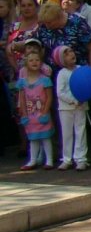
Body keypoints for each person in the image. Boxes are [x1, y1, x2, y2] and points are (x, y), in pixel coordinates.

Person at [16, 39, 54, 170]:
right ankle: (32, 160)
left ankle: (49, 160)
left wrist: (45, 112)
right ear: (26, 63)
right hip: (30, 115)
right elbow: (22, 98)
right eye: (31, 60)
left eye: (37, 60)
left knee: (45, 138)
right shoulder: (22, 82)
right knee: (33, 138)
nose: (34, 63)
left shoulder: (45, 80)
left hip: (42, 113)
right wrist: (24, 114)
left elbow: (49, 97)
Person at [53, 45, 89, 170]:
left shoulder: (80, 69)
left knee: (81, 131)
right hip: (66, 108)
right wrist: (74, 100)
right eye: (66, 54)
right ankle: (66, 158)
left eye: (71, 51)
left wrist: (83, 98)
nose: (71, 54)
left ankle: (81, 159)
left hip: (81, 107)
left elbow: (87, 85)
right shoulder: (62, 74)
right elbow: (60, 92)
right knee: (67, 133)